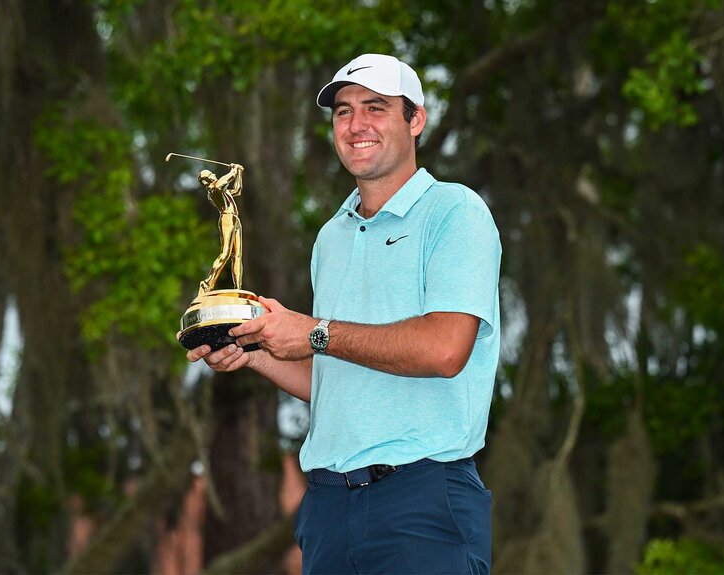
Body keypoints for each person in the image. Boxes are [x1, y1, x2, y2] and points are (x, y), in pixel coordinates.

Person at [186, 53, 501, 573]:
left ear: (415, 119)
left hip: (421, 499)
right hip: (329, 507)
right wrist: (255, 353)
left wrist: (312, 332)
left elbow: (445, 350)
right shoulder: (331, 236)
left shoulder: (456, 212)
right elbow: (336, 378)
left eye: (376, 108)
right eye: (343, 111)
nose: (357, 125)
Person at [197, 163, 244, 293]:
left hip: (235, 218)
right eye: (210, 175)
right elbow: (229, 177)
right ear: (206, 181)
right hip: (227, 218)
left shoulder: (221, 189)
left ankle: (238, 288)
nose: (214, 174)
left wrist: (239, 173)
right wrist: (234, 169)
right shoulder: (215, 190)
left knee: (238, 255)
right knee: (225, 253)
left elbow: (237, 190)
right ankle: (207, 284)